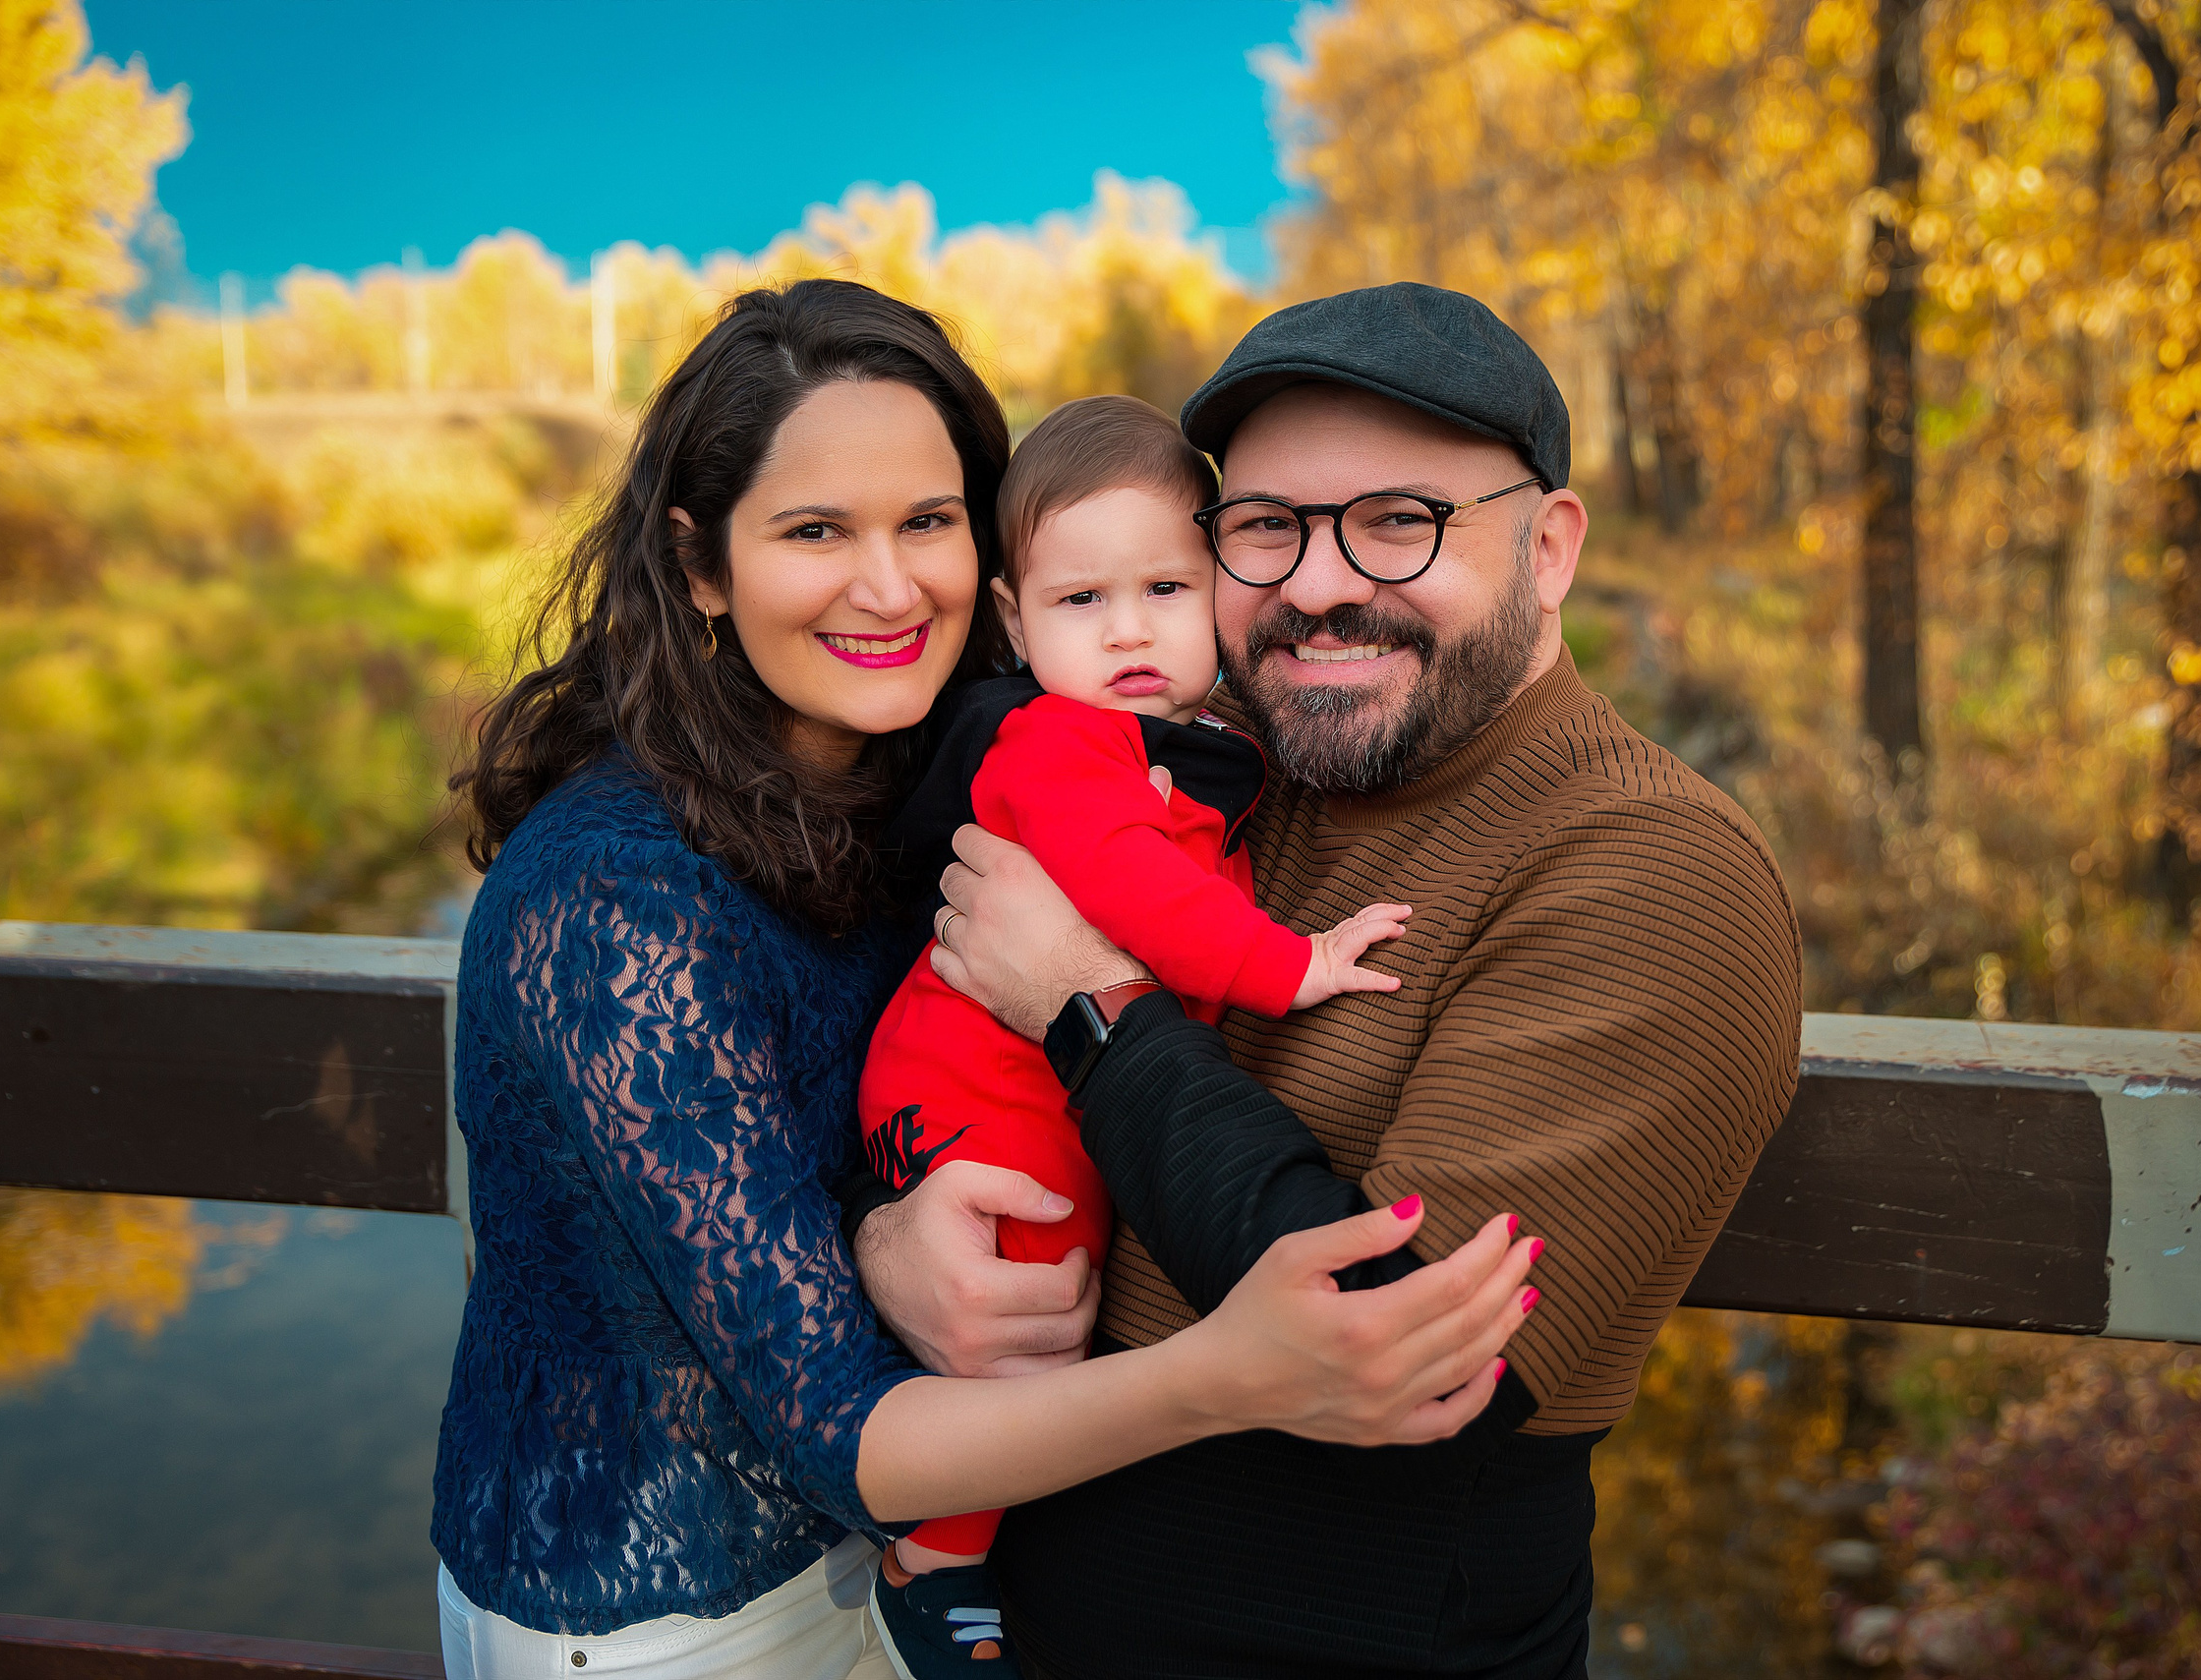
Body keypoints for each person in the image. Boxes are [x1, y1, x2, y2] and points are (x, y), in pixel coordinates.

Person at [427, 278, 1540, 1680]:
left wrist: (881, 1233)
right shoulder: (614, 891)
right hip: (674, 1612)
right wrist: (1226, 1372)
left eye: (928, 522)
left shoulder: (936, 765)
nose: (889, 587)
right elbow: (840, 1418)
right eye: (815, 530)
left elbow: (821, 1145)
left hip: (905, 1553)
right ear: (701, 565)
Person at [849, 282, 1806, 1678]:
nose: (1316, 584)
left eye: (1402, 520)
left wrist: (1082, 998)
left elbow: (1405, 1336)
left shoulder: (1654, 870)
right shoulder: (1213, 754)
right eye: (1266, 529)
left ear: (1550, 547)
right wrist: (890, 1232)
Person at [853, 395, 1421, 1669]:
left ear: (1220, 577)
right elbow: (1137, 894)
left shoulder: (1199, 739)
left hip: (1016, 1063)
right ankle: (935, 1556)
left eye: (1165, 585)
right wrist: (1294, 965)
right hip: (982, 1079)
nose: (1127, 631)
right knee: (1034, 1297)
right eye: (1078, 602)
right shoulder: (1059, 742)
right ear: (1012, 620)